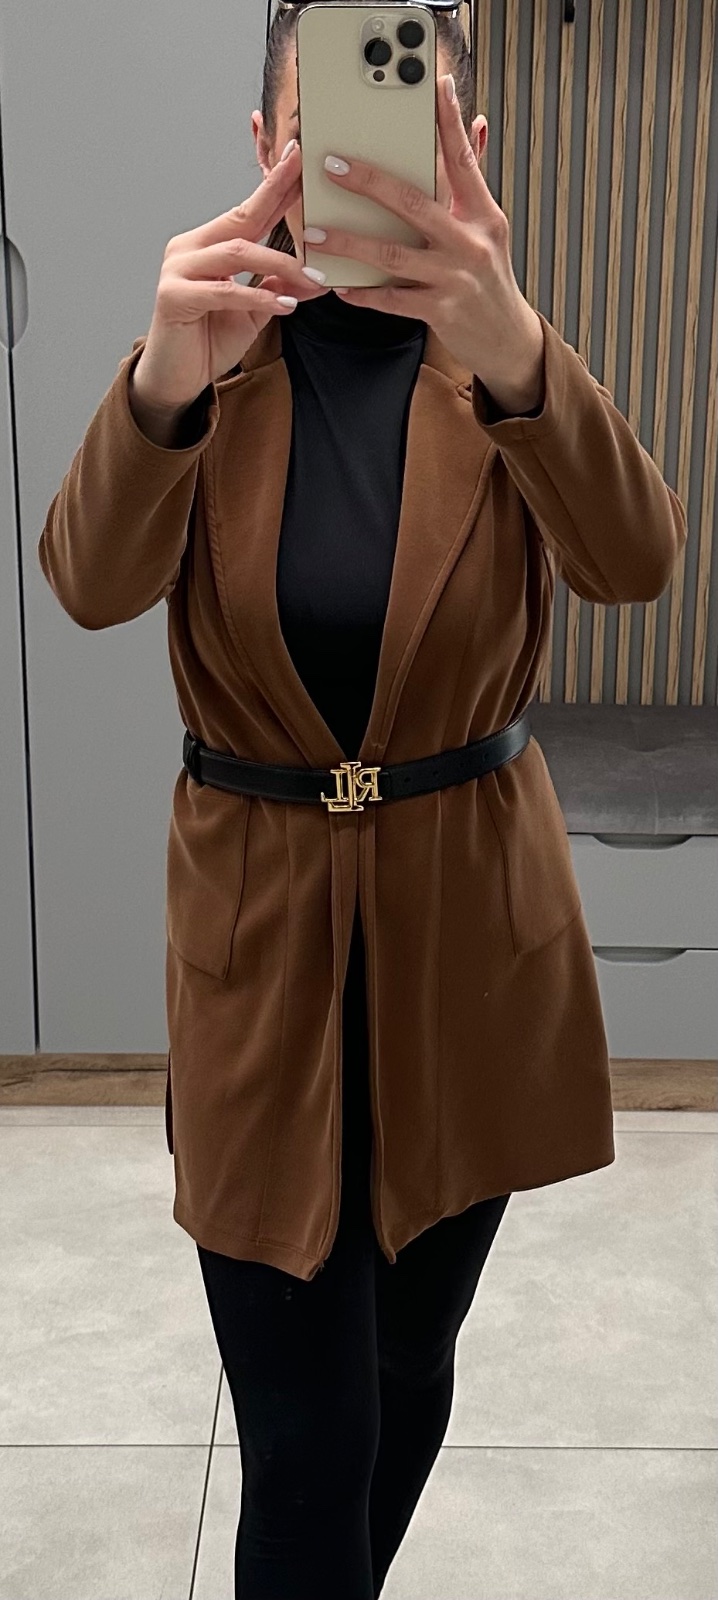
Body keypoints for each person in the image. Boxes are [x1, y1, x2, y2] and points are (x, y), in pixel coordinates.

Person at [38, 1, 687, 1594]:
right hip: (260, 945)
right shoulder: (211, 358)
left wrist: (516, 347)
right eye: (323, 137)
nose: (367, 174)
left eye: (409, 136)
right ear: (266, 150)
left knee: (405, 1368)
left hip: (470, 941)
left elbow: (633, 562)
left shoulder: (502, 371)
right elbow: (89, 584)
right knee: (303, 1439)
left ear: (470, 151)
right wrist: (159, 385)